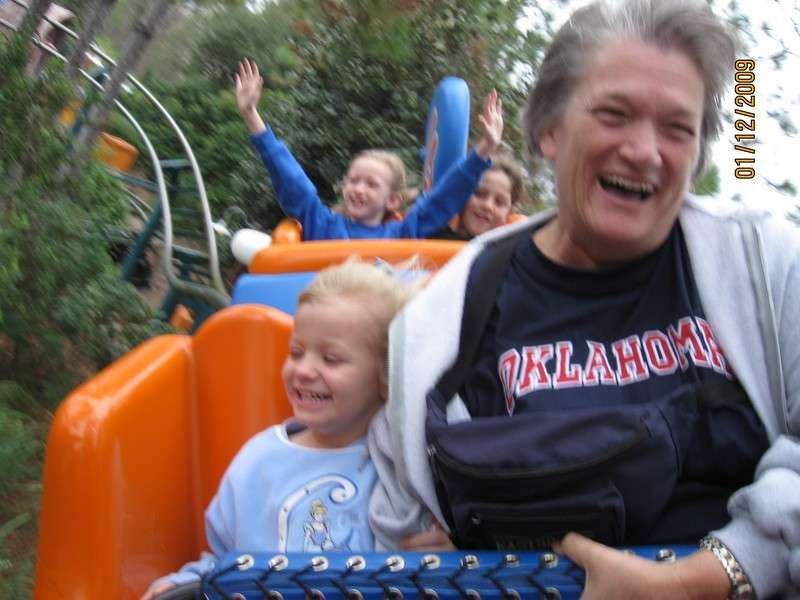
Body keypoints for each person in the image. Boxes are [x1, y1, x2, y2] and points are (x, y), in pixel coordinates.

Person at [368, 0, 800, 599]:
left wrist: (706, 579)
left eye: (677, 128)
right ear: (550, 129)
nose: (645, 151)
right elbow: (402, 528)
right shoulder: (439, 318)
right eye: (614, 114)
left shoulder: (766, 263)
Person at [141, 259, 421, 600]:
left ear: (386, 375)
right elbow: (222, 562)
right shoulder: (258, 461)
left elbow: (430, 562)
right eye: (296, 352)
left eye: (330, 359)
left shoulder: (402, 468)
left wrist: (444, 552)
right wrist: (184, 582)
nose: (303, 370)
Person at [235, 58, 504, 241]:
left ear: (393, 200)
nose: (358, 188)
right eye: (353, 180)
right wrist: (251, 116)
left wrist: (484, 149)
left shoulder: (402, 233)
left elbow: (444, 197)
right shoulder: (324, 226)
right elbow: (292, 182)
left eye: (371, 184)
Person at [428, 153, 528, 241]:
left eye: (499, 202)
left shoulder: (513, 252)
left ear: (509, 212)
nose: (487, 206)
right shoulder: (428, 232)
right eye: (479, 194)